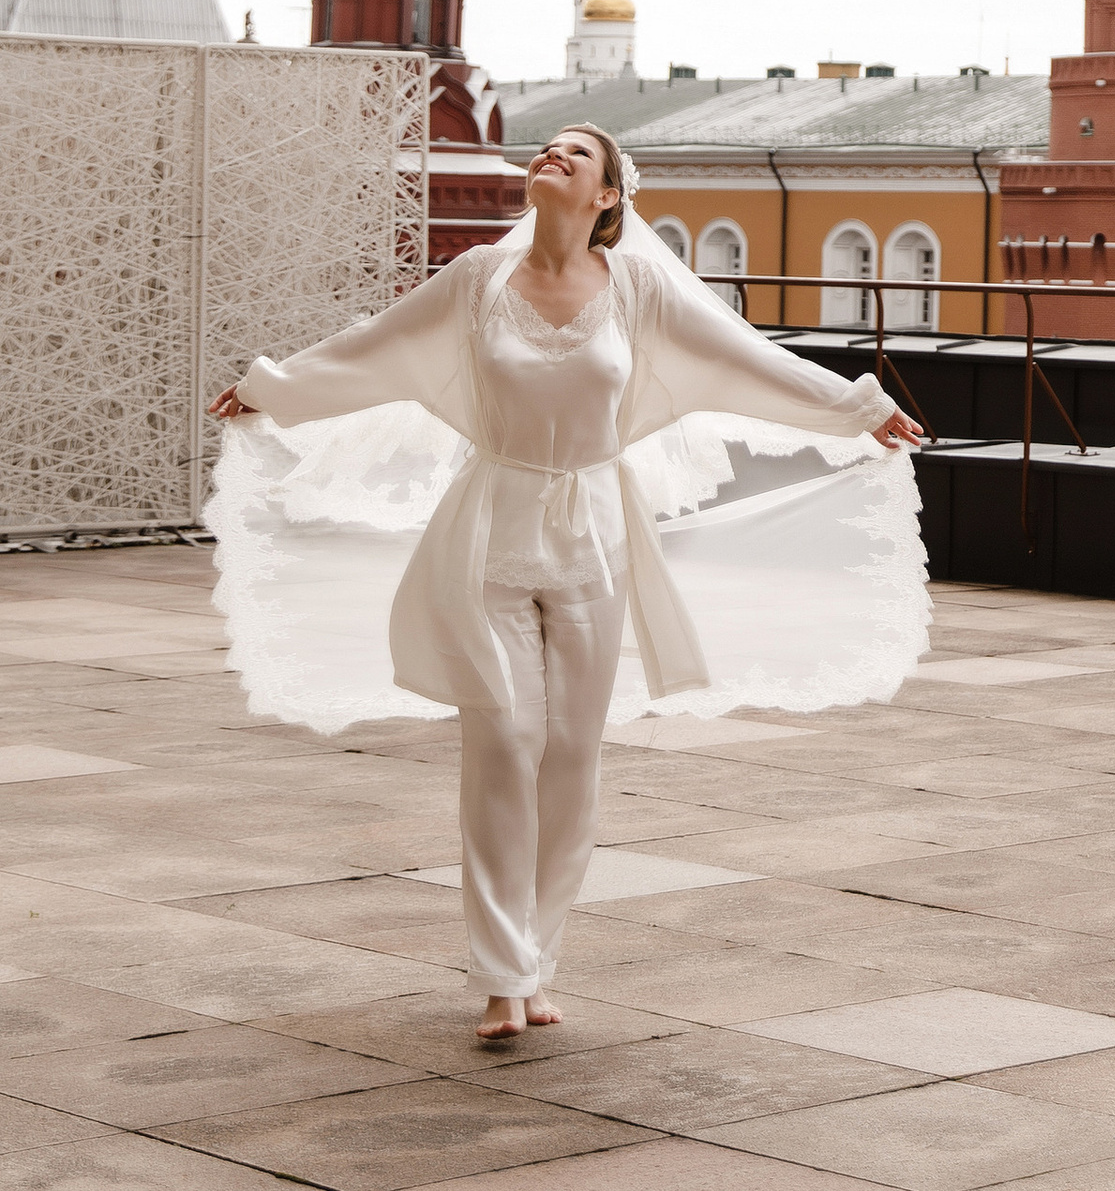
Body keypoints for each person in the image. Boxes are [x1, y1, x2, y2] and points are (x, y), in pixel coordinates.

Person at [209, 125, 930, 1039]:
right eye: (546, 148)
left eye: (576, 155)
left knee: (572, 758)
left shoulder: (637, 287)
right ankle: (500, 976)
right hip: (491, 528)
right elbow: (371, 349)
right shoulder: (475, 278)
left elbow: (747, 358)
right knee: (505, 740)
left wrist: (859, 408)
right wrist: (276, 387)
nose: (551, 155)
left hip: (594, 534)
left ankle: (539, 965)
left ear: (606, 198)